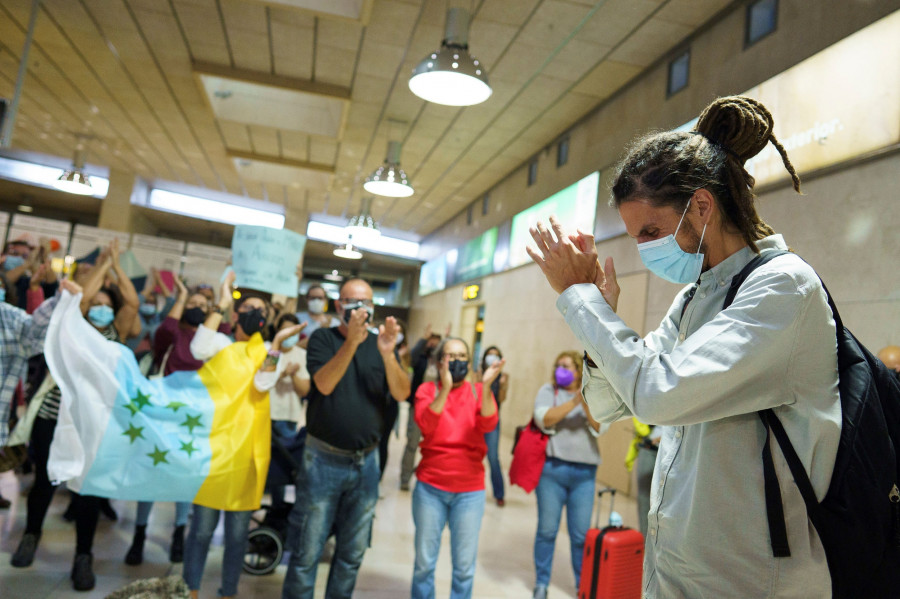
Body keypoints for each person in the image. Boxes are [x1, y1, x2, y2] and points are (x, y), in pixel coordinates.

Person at [527, 96, 840, 597]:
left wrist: (581, 301)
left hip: (748, 582)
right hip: (677, 572)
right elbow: (609, 404)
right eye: (636, 237)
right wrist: (599, 319)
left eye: (651, 230)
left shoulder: (783, 287)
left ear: (700, 205)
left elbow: (658, 394)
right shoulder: (697, 296)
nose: (646, 247)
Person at [11, 239, 141, 591]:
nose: (99, 307)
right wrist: (101, 267)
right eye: (95, 304)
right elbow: (82, 296)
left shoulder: (118, 333)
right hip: (54, 413)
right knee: (45, 481)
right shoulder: (75, 323)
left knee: (89, 489)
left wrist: (116, 265)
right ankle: (31, 536)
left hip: (95, 420)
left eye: (105, 304)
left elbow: (132, 301)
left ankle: (83, 558)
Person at [282, 278, 410, 599]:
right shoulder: (322, 339)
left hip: (366, 462)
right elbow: (323, 385)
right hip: (323, 459)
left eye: (365, 302)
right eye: (351, 302)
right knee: (307, 552)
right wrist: (351, 342)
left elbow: (402, 392)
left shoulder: (382, 345)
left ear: (372, 307)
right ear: (339, 306)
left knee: (351, 555)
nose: (359, 308)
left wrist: (389, 354)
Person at [182, 272, 303, 599]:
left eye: (262, 309)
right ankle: (190, 589)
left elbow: (263, 383)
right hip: (213, 451)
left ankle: (229, 592)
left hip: (248, 454)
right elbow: (197, 346)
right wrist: (222, 299)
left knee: (237, 535)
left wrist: (276, 345)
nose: (256, 313)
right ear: (236, 314)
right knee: (202, 530)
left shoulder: (266, 350)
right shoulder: (220, 344)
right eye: (249, 307)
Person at [124, 277, 221, 566]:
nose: (197, 309)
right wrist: (181, 296)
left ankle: (179, 532)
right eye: (193, 304)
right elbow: (166, 328)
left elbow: (225, 328)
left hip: (194, 419)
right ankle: (139, 535)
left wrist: (219, 305)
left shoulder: (214, 340)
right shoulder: (170, 335)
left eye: (203, 306)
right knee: (152, 473)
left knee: (184, 475)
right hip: (163, 415)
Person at [410, 336, 504, 599]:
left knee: (464, 569)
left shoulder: (477, 392)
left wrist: (485, 387)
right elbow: (426, 424)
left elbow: (488, 424)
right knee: (424, 565)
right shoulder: (427, 390)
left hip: (469, 493)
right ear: (440, 361)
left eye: (462, 356)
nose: (457, 361)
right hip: (430, 489)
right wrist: (445, 388)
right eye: (451, 356)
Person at [531, 351, 602, 599]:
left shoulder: (594, 396)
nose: (560, 370)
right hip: (552, 471)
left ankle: (582, 585)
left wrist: (585, 400)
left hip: (584, 475)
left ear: (579, 371)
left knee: (580, 535)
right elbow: (545, 419)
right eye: (558, 365)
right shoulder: (548, 392)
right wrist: (573, 401)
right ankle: (541, 583)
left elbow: (600, 426)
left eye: (567, 366)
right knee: (547, 531)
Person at [268, 312, 311, 509]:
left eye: (293, 331)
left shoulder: (302, 356)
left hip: (288, 419)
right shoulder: (268, 351)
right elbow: (260, 382)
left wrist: (292, 376)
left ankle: (278, 508)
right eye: (285, 330)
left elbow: (304, 390)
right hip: (265, 416)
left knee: (282, 466)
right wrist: (281, 373)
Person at [400, 327, 443, 491]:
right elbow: (412, 357)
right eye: (430, 343)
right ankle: (405, 478)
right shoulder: (420, 358)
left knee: (433, 446)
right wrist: (423, 339)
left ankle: (427, 478)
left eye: (436, 344)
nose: (433, 346)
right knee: (412, 443)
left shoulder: (441, 365)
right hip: (418, 408)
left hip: (437, 409)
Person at [478, 345, 509, 506]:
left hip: (493, 419)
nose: (492, 357)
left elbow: (502, 399)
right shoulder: (478, 373)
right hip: (476, 417)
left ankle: (499, 494)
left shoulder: (503, 376)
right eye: (489, 355)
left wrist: (502, 384)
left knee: (493, 457)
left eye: (495, 355)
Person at [295, 284, 339, 349]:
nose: (316, 301)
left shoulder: (334, 323)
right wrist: (322, 331)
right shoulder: (296, 319)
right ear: (307, 299)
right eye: (313, 298)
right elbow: (292, 346)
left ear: (326, 300)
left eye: (320, 298)